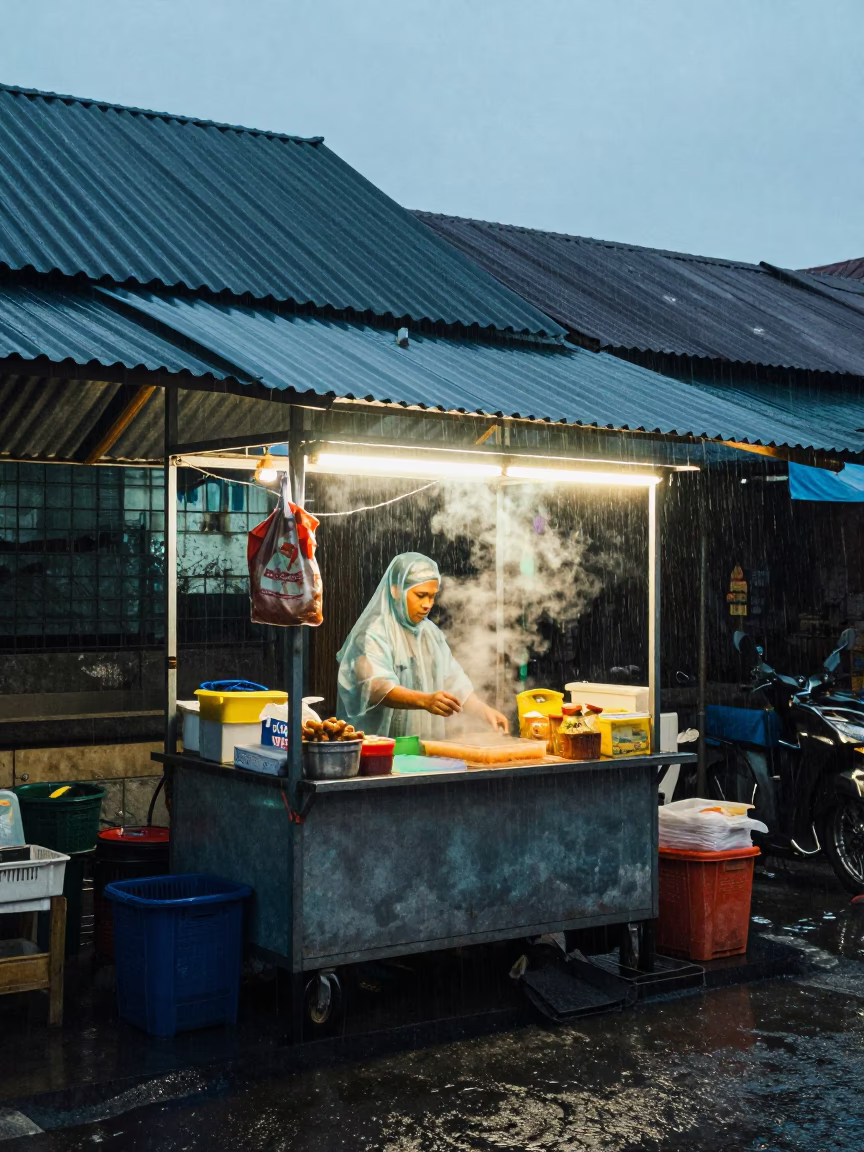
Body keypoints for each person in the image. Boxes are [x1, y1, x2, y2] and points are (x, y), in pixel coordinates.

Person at [337, 552, 510, 739]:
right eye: (421, 595)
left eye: (432, 596)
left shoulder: (430, 633)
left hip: (421, 747)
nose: (428, 604)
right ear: (396, 591)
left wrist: (482, 710)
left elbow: (453, 680)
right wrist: (425, 700)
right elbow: (375, 688)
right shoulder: (371, 634)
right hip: (376, 748)